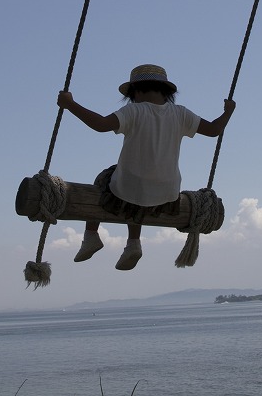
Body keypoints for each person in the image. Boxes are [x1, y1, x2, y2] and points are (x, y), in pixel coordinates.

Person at [57, 64, 235, 270]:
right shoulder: (181, 114)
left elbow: (100, 125)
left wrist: (70, 104)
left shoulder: (134, 111)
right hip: (168, 194)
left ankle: (91, 236)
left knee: (107, 178)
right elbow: (214, 130)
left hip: (129, 189)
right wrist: (228, 112)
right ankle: (133, 244)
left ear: (136, 91)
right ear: (166, 92)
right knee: (136, 192)